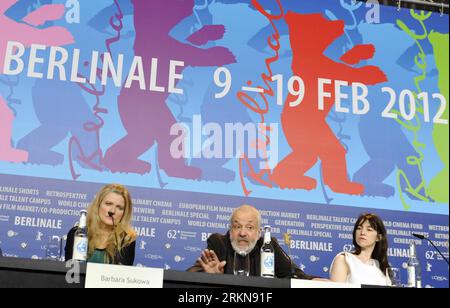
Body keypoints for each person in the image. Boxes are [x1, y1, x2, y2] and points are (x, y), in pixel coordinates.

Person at [187, 205, 316, 279]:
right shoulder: (219, 242)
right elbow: (191, 274)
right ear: (231, 230)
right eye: (237, 227)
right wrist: (209, 276)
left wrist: (316, 280)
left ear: (259, 233)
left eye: (249, 227)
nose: (242, 233)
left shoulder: (268, 246)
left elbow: (295, 275)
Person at [65, 184, 137, 265]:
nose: (112, 211)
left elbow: (122, 275)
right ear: (98, 205)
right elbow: (70, 272)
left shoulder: (126, 240)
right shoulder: (77, 233)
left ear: (124, 213)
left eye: (119, 207)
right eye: (108, 204)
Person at [330, 213, 392, 286]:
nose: (362, 232)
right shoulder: (345, 259)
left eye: (369, 229)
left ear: (378, 237)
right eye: (359, 228)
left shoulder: (380, 267)